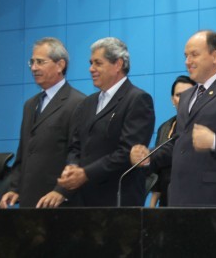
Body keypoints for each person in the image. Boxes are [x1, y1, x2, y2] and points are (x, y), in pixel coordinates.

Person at [130, 30, 216, 206]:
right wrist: (149, 156)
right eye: (186, 56)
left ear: (215, 56)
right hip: (180, 198)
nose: (187, 61)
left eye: (194, 55)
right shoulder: (186, 97)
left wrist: (214, 141)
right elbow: (180, 143)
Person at [57, 37, 155, 206]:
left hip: (117, 199)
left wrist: (86, 173)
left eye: (97, 63)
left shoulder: (138, 99)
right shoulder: (86, 103)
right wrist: (72, 168)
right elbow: (75, 145)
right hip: (82, 199)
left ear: (118, 64)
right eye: (90, 63)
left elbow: (128, 152)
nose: (91, 69)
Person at [0, 38, 86, 208]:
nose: (33, 68)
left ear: (60, 65)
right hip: (29, 200)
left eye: (40, 62)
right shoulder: (30, 105)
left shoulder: (78, 103)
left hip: (59, 203)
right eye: (32, 62)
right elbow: (24, 152)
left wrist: (61, 190)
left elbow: (77, 154)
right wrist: (15, 188)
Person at [148, 75, 196, 207]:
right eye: (179, 95)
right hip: (166, 198)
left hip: (190, 197)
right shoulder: (165, 127)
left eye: (189, 94)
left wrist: (147, 155)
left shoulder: (199, 125)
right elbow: (158, 169)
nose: (183, 99)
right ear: (172, 100)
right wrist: (152, 203)